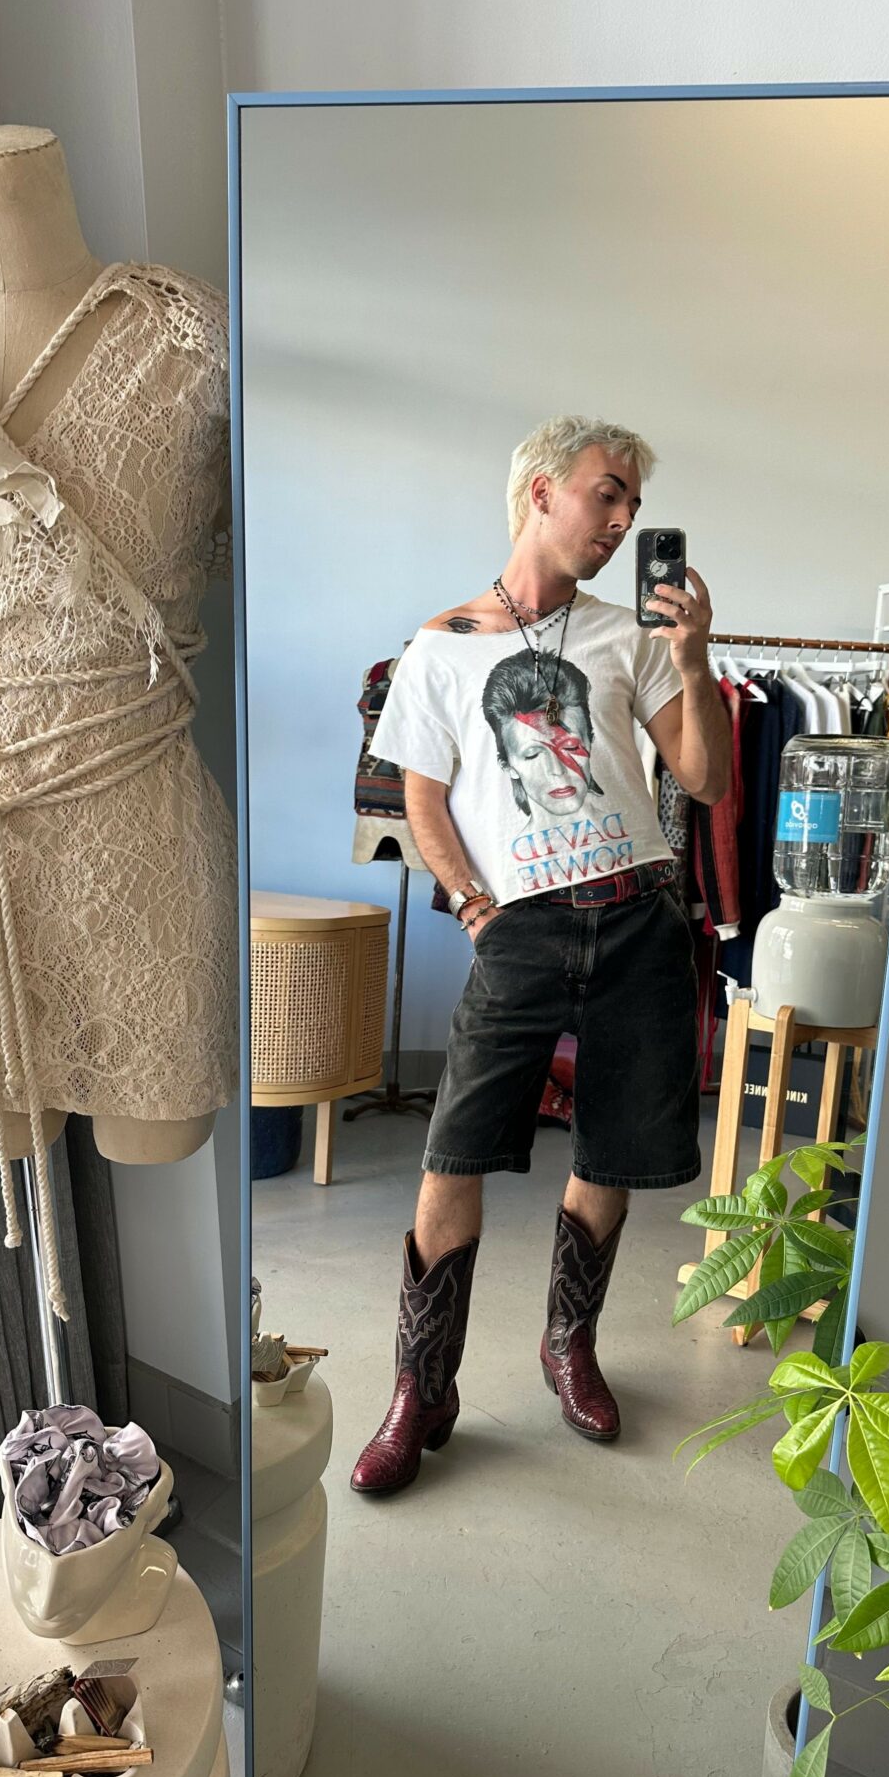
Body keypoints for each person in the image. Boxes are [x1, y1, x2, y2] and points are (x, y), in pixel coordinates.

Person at [351, 414, 730, 1496]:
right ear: (541, 491)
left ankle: (570, 1347)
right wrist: (478, 909)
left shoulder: (630, 637)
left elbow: (703, 779)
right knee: (454, 1152)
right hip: (521, 926)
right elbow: (423, 799)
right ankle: (422, 1389)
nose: (621, 521)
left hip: (641, 915)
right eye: (607, 494)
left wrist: (693, 659)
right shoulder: (441, 646)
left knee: (612, 1151)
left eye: (633, 506)